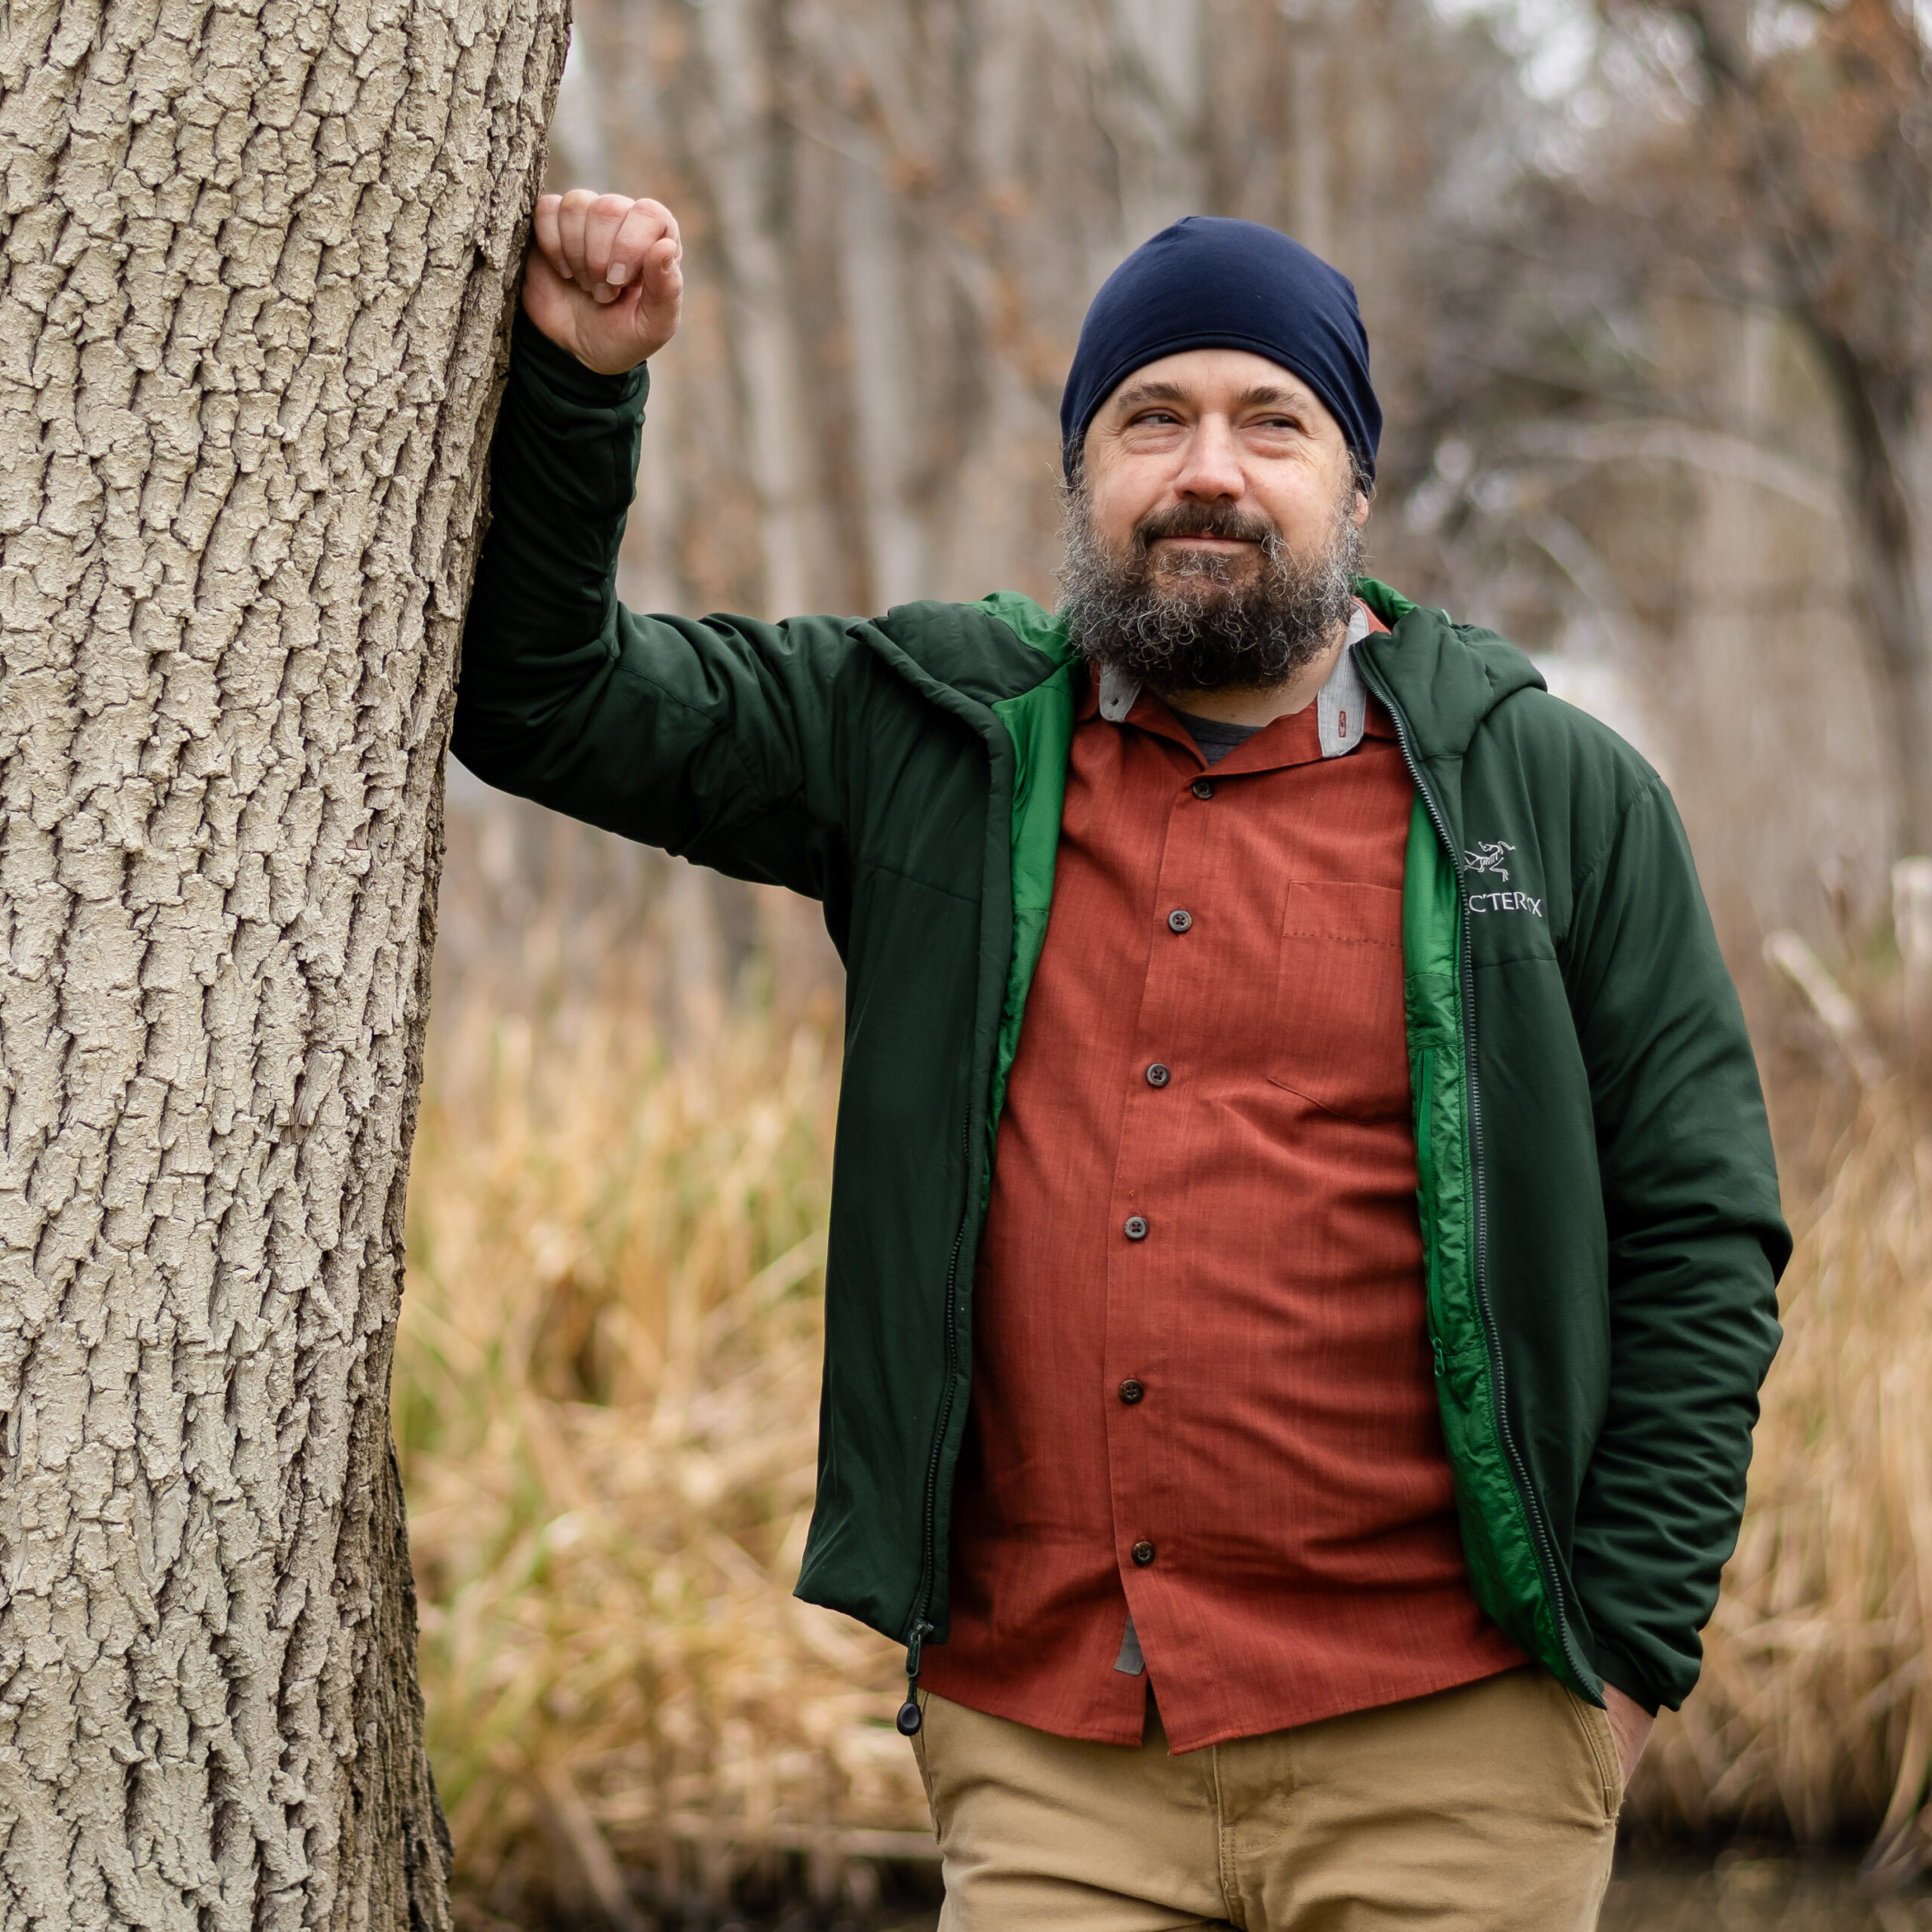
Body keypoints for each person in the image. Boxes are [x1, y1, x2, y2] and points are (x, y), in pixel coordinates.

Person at [453, 189, 1789, 1930]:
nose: (1206, 469)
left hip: (1453, 1756)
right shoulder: (923, 739)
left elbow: (1702, 1233)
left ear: (1353, 484)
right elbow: (542, 697)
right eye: (1148, 418)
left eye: (1270, 421)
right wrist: (575, 381)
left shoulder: (1547, 793)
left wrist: (1619, 1663)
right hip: (1056, 1764)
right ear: (1081, 473)